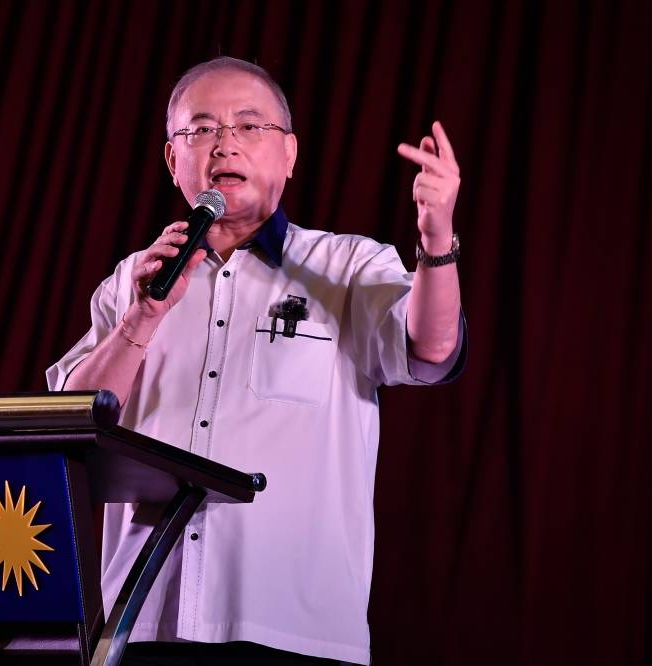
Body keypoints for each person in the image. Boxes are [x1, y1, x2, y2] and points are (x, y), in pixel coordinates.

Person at [46, 56, 466, 666]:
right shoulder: (134, 281)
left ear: (289, 154)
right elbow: (68, 424)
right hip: (142, 623)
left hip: (294, 626)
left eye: (248, 126)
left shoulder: (347, 267)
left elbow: (431, 348)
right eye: (202, 129)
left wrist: (436, 242)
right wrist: (142, 319)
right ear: (173, 159)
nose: (224, 145)